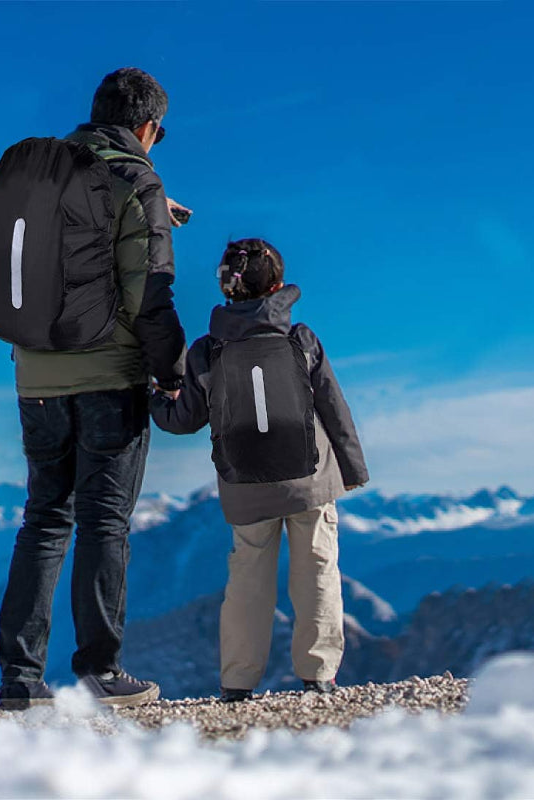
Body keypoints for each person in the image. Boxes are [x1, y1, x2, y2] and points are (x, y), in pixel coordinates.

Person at [0, 68, 188, 710]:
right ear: (148, 128)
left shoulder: (37, 175)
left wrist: (159, 207)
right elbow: (149, 294)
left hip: (37, 376)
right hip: (108, 375)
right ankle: (99, 671)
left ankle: (21, 681)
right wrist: (171, 369)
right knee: (104, 522)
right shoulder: (139, 181)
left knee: (43, 522)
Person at [150, 239, 369, 701]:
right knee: (316, 569)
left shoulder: (207, 351)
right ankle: (318, 674)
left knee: (248, 581)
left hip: (244, 484)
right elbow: (334, 408)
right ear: (276, 285)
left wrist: (153, 398)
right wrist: (352, 469)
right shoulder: (301, 340)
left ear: (227, 288)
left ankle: (237, 682)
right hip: (310, 479)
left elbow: (184, 420)